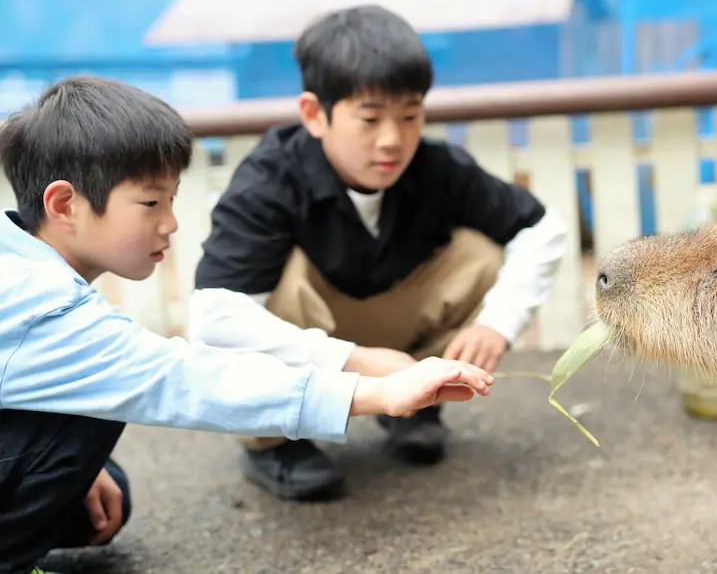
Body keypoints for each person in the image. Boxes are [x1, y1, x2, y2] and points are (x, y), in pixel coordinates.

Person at [0, 75, 494, 574]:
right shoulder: (45, 308)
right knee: (87, 425)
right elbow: (183, 379)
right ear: (64, 205)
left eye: (172, 200)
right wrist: (378, 394)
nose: (170, 222)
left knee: (102, 485)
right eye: (151, 203)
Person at [188, 4, 568, 501]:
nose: (392, 140)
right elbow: (214, 318)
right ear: (313, 114)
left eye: (410, 115)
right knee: (283, 275)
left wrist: (498, 322)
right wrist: (354, 359)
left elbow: (543, 229)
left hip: (381, 330)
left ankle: (418, 403)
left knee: (477, 255)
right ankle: (272, 440)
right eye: (369, 118)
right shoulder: (268, 183)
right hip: (311, 335)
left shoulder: (436, 168)